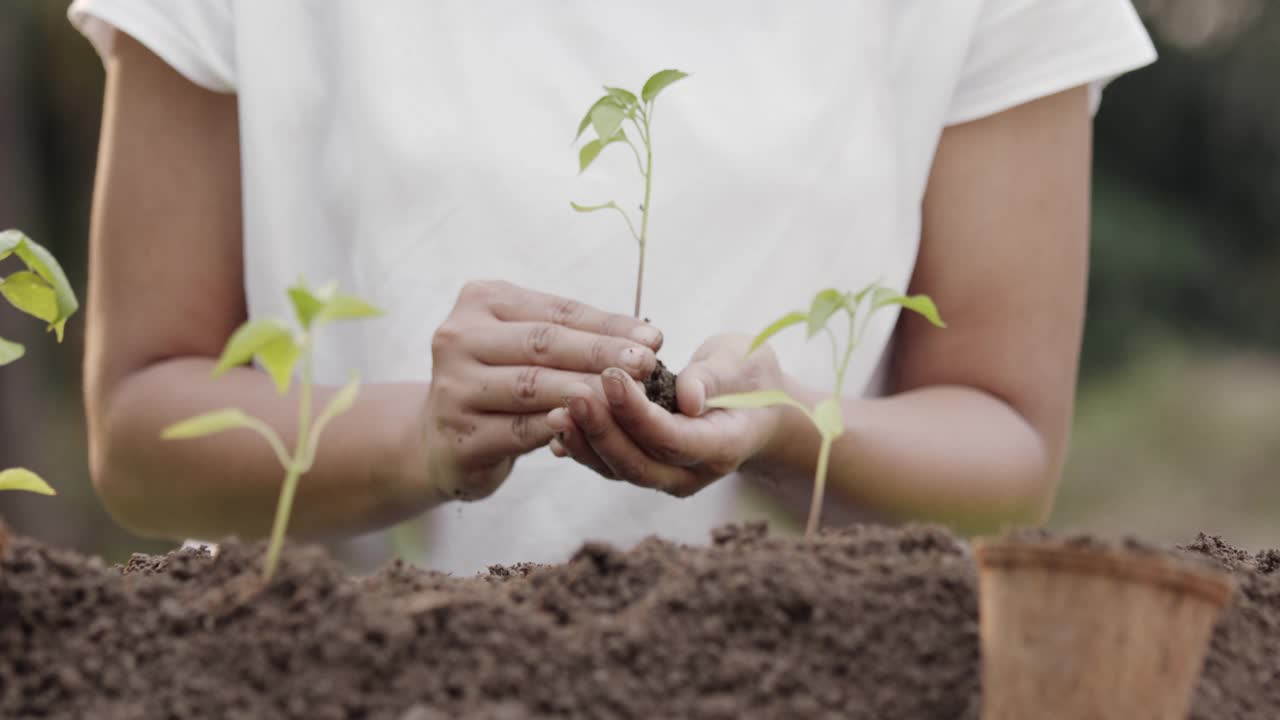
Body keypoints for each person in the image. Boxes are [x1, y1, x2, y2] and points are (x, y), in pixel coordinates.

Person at [68, 1, 1156, 575]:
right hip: (326, 680)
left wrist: (790, 428)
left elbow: (1006, 444)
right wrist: (414, 442)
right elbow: (138, 427)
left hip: (802, 679)